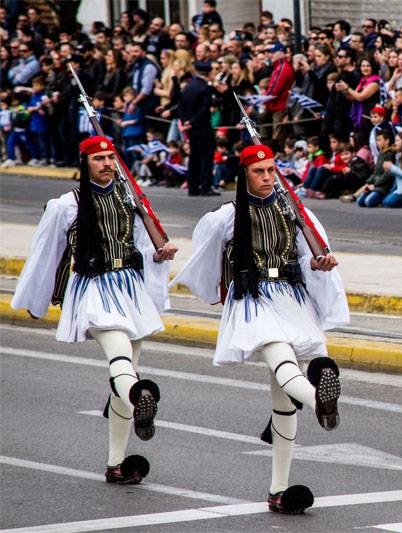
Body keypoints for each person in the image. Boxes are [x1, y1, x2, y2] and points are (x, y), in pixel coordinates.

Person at [172, 145, 348, 514]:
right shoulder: (226, 217)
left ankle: (279, 490)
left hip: (290, 295)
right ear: (244, 175)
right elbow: (204, 262)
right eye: (259, 172)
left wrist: (320, 262)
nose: (267, 177)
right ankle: (319, 398)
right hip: (253, 298)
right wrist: (221, 295)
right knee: (283, 359)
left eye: (271, 170)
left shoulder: (294, 211)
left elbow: (307, 255)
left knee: (282, 402)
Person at [11, 135, 177, 484]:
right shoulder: (66, 205)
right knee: (119, 356)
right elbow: (47, 255)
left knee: (125, 371)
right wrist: (37, 300)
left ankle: (116, 463)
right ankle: (140, 404)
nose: (106, 164)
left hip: (130, 287)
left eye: (110, 158)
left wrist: (161, 255)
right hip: (94, 287)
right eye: (99, 159)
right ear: (84, 163)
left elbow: (143, 246)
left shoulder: (130, 199)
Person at [178, 60, 218, 196]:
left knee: (194, 156)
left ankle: (193, 187)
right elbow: (205, 108)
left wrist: (186, 122)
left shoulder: (188, 87)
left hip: (190, 128)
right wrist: (193, 121)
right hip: (202, 126)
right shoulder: (205, 87)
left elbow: (181, 106)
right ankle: (205, 186)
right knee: (206, 156)